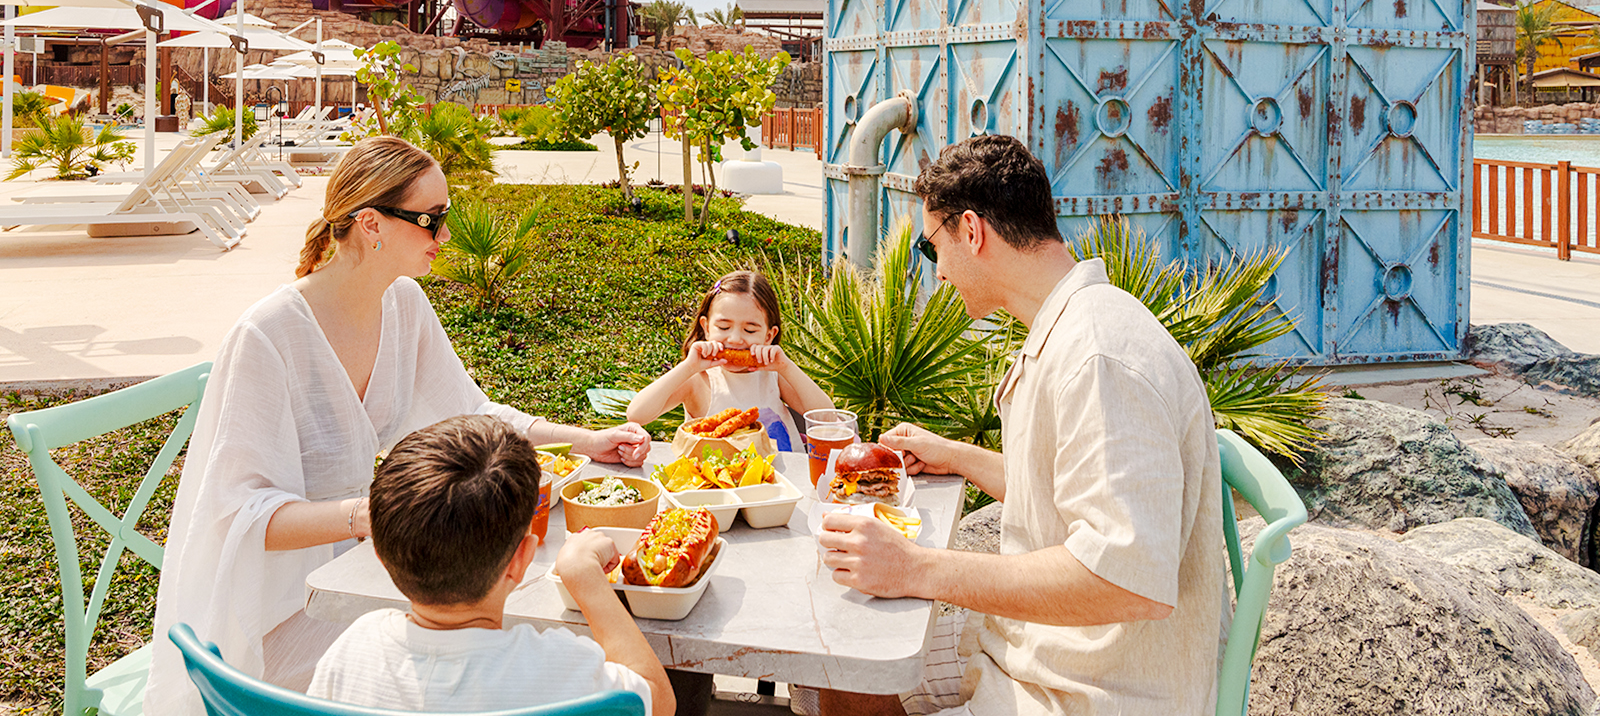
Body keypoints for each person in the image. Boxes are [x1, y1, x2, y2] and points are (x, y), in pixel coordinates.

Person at [146, 136, 650, 716]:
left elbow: (471, 413)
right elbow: (238, 514)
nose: (445, 236)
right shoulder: (268, 336)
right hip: (280, 608)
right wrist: (381, 518)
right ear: (370, 224)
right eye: (431, 220)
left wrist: (587, 441)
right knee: (517, 649)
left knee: (498, 638)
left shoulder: (403, 302)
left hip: (381, 571)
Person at [816, 135, 1225, 716]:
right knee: (831, 669)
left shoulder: (1099, 357)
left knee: (846, 664)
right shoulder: (1077, 322)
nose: (938, 276)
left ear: (973, 232)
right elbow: (1068, 493)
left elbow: (1126, 580)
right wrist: (957, 455)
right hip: (1046, 653)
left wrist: (916, 569)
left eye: (934, 250)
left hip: (1089, 691)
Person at [309, 415, 673, 716]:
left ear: (382, 558)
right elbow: (657, 698)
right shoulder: (558, 666)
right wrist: (584, 577)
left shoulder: (350, 650)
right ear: (521, 559)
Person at [626, 270, 831, 451]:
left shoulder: (773, 374)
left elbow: (828, 419)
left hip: (784, 483)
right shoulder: (698, 379)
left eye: (750, 330)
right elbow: (637, 414)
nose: (735, 339)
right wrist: (688, 367)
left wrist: (786, 367)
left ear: (769, 336)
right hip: (722, 488)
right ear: (706, 328)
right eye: (724, 327)